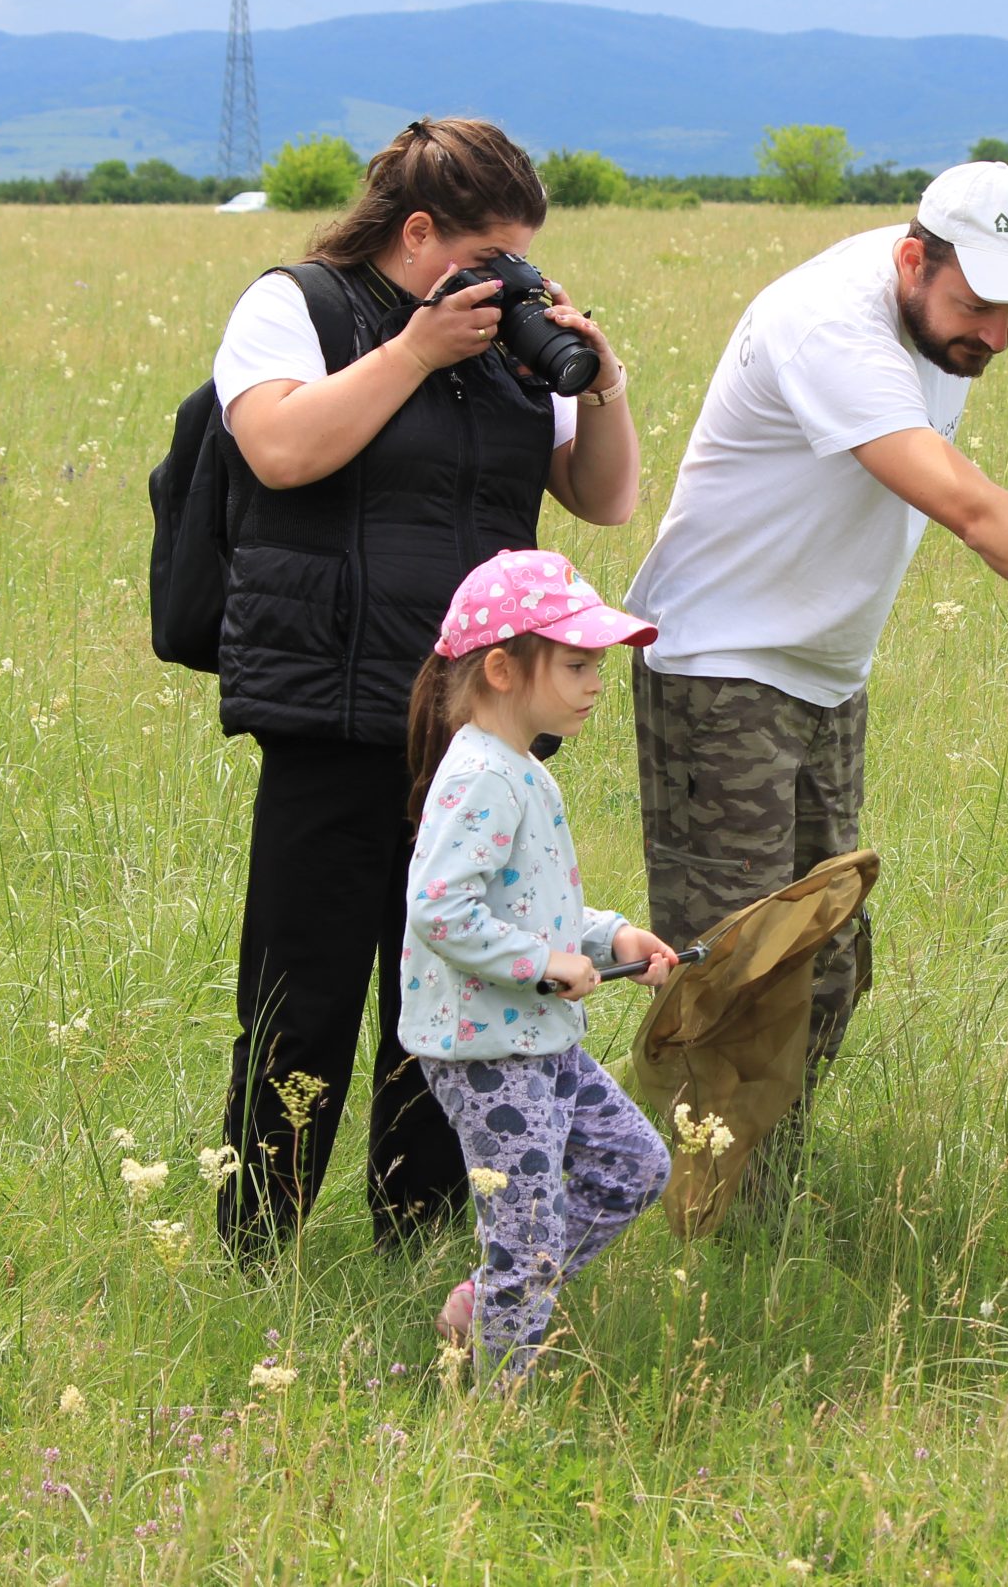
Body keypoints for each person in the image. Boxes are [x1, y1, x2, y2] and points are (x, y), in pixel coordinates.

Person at [623, 161, 1008, 1187]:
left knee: (822, 958)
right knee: (735, 968)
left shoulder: (936, 316)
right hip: (720, 667)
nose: (995, 337)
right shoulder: (833, 325)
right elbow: (970, 508)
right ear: (914, 260)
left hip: (825, 673)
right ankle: (704, 1214)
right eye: (977, 308)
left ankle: (767, 1189)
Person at [208, 118, 642, 1257]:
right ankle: (261, 1239)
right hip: (331, 706)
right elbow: (282, 452)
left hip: (479, 722)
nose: (513, 284)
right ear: (416, 234)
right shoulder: (296, 307)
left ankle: (420, 1226)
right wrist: (413, 350)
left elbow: (601, 500)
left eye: (524, 262)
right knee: (301, 996)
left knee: (461, 980)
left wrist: (598, 388)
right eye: (490, 257)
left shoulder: (509, 343)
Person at [398, 549, 677, 1386]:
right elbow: (439, 908)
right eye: (578, 663)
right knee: (528, 1236)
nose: (597, 680)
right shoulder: (482, 774)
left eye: (599, 663)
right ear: (502, 667)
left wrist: (610, 940)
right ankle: (494, 1415)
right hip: (488, 1051)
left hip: (538, 1038)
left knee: (635, 1165)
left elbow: (532, 909)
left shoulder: (520, 770)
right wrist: (543, 966)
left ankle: (487, 1303)